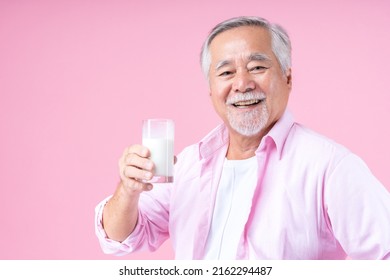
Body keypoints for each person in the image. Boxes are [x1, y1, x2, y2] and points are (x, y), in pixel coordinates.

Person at [95, 16, 390, 259]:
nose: (242, 84)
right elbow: (121, 238)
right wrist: (129, 189)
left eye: (257, 67)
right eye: (225, 72)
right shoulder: (187, 165)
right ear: (210, 88)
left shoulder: (330, 167)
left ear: (288, 77)